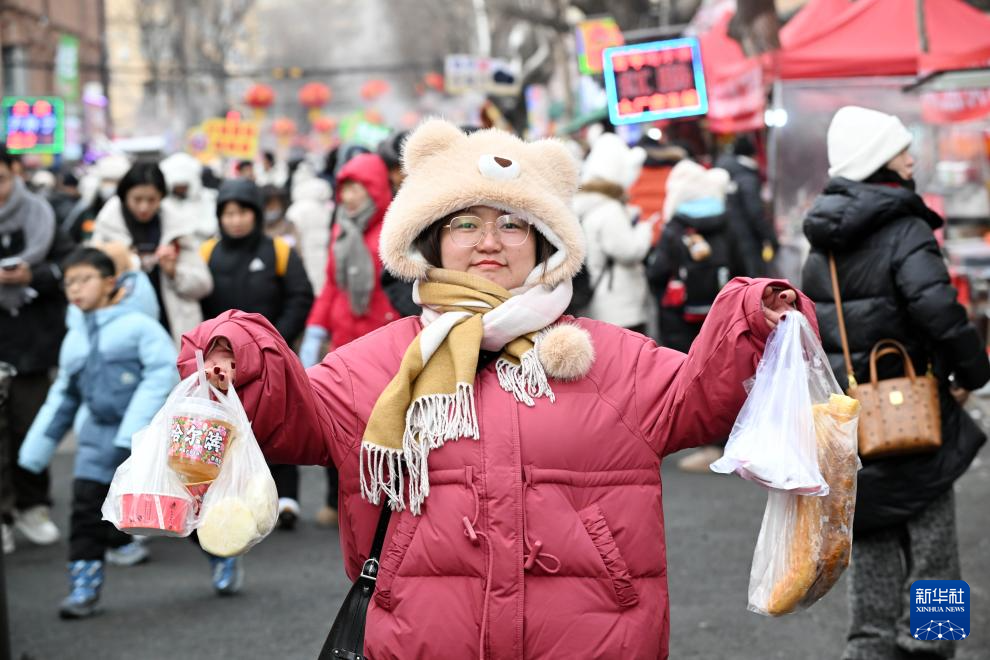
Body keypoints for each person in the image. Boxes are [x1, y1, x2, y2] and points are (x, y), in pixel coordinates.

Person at [180, 120, 802, 659]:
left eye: (512, 223)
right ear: (431, 242)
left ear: (543, 241)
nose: (488, 241)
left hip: (596, 639)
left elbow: (706, 395)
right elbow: (292, 417)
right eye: (465, 223)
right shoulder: (374, 367)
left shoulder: (613, 360)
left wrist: (752, 320)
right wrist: (239, 354)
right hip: (420, 638)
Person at [801, 106, 990, 660]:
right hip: (913, 412)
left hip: (855, 416)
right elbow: (936, 310)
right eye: (901, 149)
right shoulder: (904, 227)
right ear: (879, 161)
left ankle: (869, 646)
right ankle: (932, 646)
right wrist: (973, 372)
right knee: (933, 549)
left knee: (875, 539)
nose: (912, 158)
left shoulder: (823, 239)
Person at [18, 246, 178, 618]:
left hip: (142, 440)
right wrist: (36, 449)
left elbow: (161, 374)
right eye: (70, 282)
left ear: (110, 283)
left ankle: (219, 557)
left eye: (85, 279)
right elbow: (65, 395)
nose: (76, 289)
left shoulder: (140, 326)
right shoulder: (74, 336)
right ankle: (84, 589)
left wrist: (131, 432)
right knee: (85, 513)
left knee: (168, 510)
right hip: (94, 440)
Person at [199, 179, 314, 529]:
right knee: (230, 426)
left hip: (271, 353)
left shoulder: (278, 251)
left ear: (256, 214)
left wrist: (275, 338)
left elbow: (300, 295)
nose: (236, 220)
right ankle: (236, 499)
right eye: (229, 213)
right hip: (221, 361)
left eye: (243, 212)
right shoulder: (207, 253)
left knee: (277, 419)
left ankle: (287, 497)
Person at [0, 146, 73, 554]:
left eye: (1, 178)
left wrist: (35, 274)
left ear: (14, 172)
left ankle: (33, 506)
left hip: (33, 342)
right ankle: (3, 515)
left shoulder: (41, 214)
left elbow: (70, 267)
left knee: (32, 428)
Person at [91, 162, 213, 344]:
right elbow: (93, 290)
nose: (144, 207)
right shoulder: (106, 232)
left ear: (162, 197)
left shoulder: (177, 231)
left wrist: (173, 272)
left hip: (173, 330)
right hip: (123, 332)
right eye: (137, 199)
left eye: (151, 200)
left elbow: (203, 286)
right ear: (124, 196)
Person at [574, 130, 655, 333]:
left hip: (598, 299)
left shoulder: (584, 204)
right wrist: (646, 229)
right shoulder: (609, 209)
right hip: (619, 304)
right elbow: (629, 250)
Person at [716, 136, 778, 277]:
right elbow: (755, 212)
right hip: (748, 241)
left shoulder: (729, 172)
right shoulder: (747, 177)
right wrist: (771, 238)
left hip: (731, 242)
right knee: (755, 285)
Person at [286, 177, 333, 294]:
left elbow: (289, 237)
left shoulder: (296, 209)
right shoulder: (325, 208)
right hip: (323, 252)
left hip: (302, 254)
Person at [160, 151, 218, 242]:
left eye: (184, 186)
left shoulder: (207, 198)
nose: (181, 190)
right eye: (178, 186)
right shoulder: (164, 204)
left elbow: (210, 227)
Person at [260, 184, 299, 249]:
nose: (272, 208)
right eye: (268, 205)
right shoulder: (256, 227)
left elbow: (297, 250)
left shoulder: (289, 226)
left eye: (275, 204)